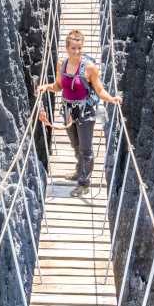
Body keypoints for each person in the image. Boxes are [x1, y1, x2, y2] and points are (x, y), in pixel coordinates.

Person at [38, 29, 120, 192]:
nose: (76, 51)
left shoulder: (89, 68)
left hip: (85, 112)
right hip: (68, 111)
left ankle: (84, 183)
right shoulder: (62, 64)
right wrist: (45, 87)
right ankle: (79, 171)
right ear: (67, 48)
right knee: (75, 144)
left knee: (86, 148)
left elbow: (99, 90)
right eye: (73, 48)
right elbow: (59, 86)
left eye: (79, 48)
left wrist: (111, 98)